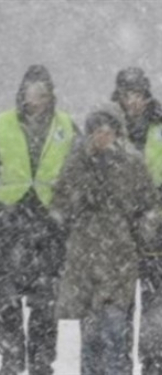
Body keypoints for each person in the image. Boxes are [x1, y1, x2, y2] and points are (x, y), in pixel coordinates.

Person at [0, 65, 78, 375]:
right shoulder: (0, 125)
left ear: (51, 96)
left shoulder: (66, 126)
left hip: (51, 224)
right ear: (21, 94)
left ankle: (41, 362)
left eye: (41, 94)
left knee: (45, 301)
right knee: (6, 298)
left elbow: (80, 175)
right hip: (9, 222)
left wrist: (77, 217)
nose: (35, 100)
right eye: (30, 93)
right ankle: (11, 358)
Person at [53, 103, 157, 375]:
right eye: (97, 130)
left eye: (108, 129)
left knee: (114, 331)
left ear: (117, 132)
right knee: (90, 337)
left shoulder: (131, 163)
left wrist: (142, 227)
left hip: (119, 257)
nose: (103, 135)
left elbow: (149, 203)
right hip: (85, 258)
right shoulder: (77, 162)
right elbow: (60, 201)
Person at [111, 67, 162, 375]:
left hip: (157, 231)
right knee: (121, 306)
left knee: (155, 306)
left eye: (138, 95)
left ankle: (153, 363)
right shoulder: (108, 127)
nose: (133, 102)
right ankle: (121, 364)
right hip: (119, 234)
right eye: (127, 95)